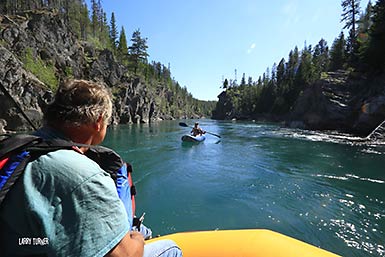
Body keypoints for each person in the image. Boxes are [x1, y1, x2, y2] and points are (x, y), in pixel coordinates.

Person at [0, 79, 182, 257]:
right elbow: (126, 255)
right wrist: (139, 240)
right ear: (98, 121)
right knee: (172, 248)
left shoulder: (16, 147)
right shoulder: (85, 175)